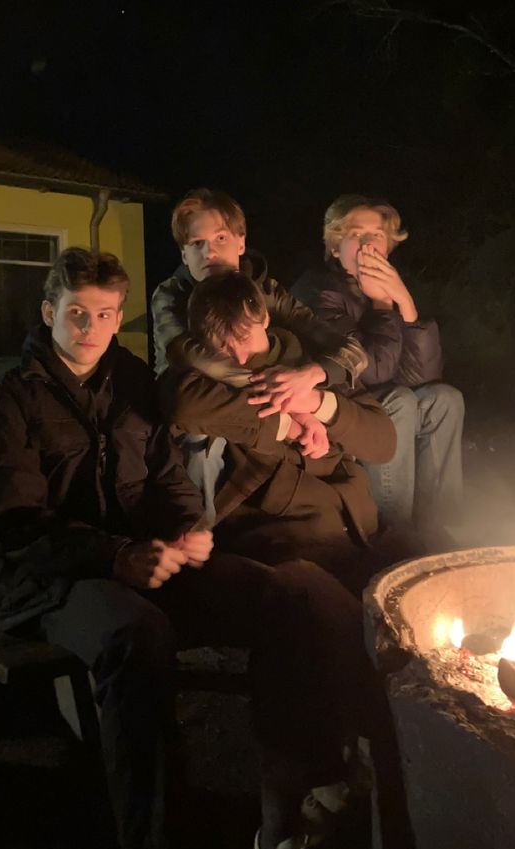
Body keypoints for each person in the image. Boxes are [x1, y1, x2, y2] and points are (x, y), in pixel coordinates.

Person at [0, 246, 374, 849]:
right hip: (55, 579)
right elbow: (19, 526)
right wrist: (114, 557)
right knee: (137, 635)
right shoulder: (9, 403)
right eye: (78, 313)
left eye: (107, 315)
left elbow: (168, 480)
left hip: (150, 557)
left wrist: (192, 528)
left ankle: (294, 809)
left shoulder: (133, 382)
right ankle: (153, 835)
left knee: (298, 590)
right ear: (49, 311)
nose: (92, 329)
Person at [161, 270, 397, 598]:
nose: (240, 358)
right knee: (329, 608)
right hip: (284, 536)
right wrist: (292, 422)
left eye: (244, 338)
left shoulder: (311, 362)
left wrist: (317, 403)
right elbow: (184, 405)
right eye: (222, 346)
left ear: (266, 319)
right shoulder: (204, 377)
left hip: (360, 523)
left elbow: (384, 442)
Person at [151, 187, 368, 527]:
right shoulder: (171, 297)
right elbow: (191, 358)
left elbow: (349, 351)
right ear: (184, 255)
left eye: (220, 237)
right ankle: (194, 536)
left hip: (268, 415)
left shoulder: (266, 294)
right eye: (196, 243)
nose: (210, 250)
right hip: (203, 408)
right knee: (202, 439)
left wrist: (312, 378)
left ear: (241, 242)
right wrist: (291, 404)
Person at [291, 194, 465, 554]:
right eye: (358, 234)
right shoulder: (318, 290)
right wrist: (384, 305)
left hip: (384, 394)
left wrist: (407, 305)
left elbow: (423, 377)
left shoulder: (386, 288)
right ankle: (393, 534)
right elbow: (371, 372)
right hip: (340, 402)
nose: (370, 244)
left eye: (378, 235)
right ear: (335, 246)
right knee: (398, 400)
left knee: (444, 399)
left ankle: (439, 531)